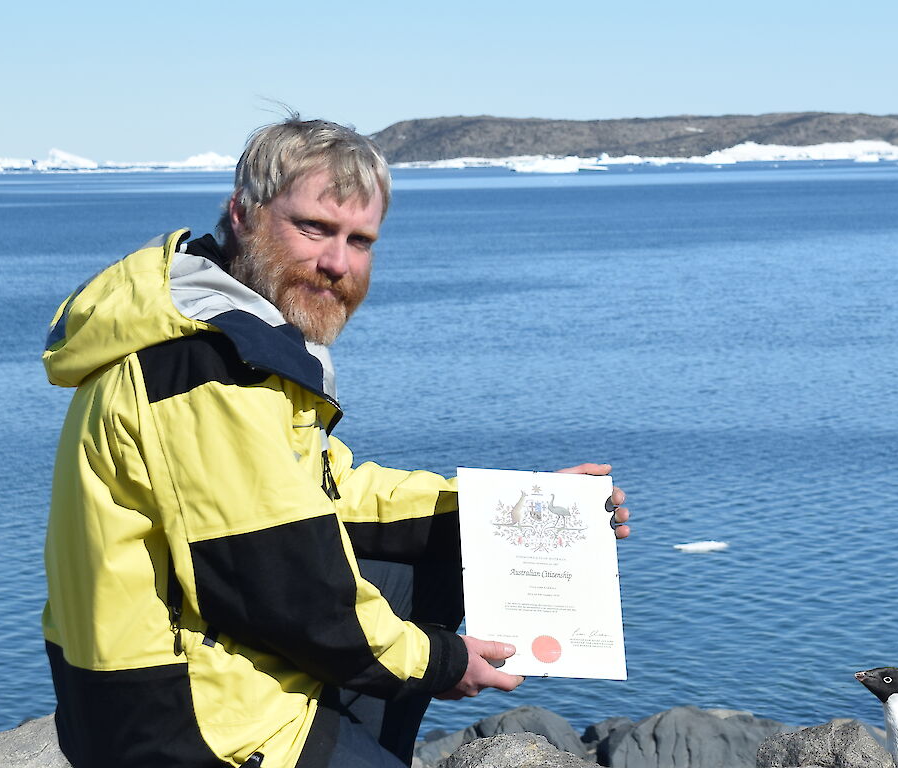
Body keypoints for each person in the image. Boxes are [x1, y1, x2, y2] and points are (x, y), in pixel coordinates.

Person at [38, 118, 631, 768]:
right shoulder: (209, 368)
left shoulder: (232, 331)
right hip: (186, 726)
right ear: (242, 215)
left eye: (359, 240)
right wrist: (441, 662)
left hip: (192, 685)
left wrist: (520, 506)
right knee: (377, 608)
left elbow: (332, 492)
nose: (338, 263)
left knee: (446, 548)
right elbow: (295, 596)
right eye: (314, 228)